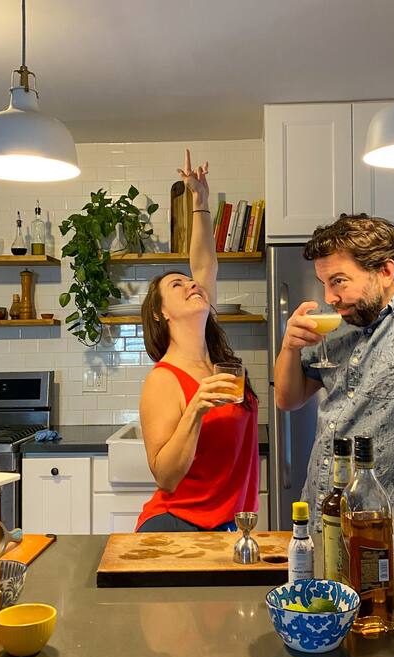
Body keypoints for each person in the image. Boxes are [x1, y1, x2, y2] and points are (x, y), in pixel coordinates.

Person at [274, 214, 394, 532]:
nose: (329, 298)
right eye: (324, 283)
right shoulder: (340, 319)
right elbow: (288, 399)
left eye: (338, 281)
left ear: (386, 271)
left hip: (383, 528)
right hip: (321, 513)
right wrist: (289, 346)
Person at [136, 150, 259, 532]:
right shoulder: (163, 380)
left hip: (228, 527)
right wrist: (195, 410)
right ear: (161, 313)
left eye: (192, 282)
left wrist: (200, 200)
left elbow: (205, 264)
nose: (192, 284)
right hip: (178, 527)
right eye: (178, 284)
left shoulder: (217, 360)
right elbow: (165, 477)